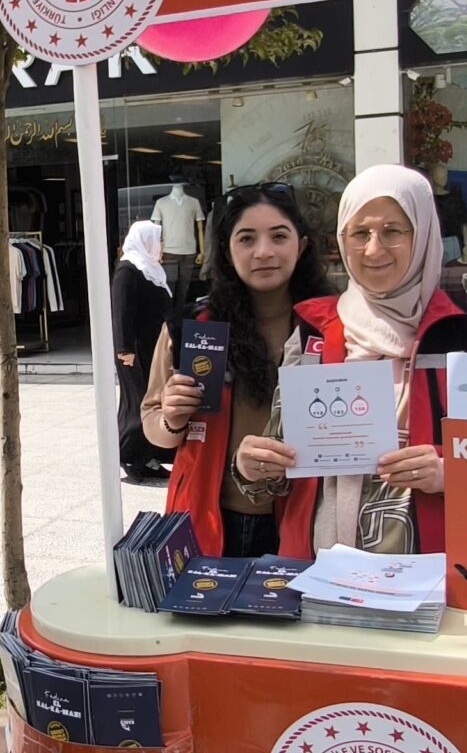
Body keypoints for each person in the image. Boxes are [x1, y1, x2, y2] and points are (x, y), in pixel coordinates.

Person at [237, 167, 467, 557]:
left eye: (393, 231)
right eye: (360, 233)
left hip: (437, 583)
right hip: (320, 576)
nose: (373, 249)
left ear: (423, 235)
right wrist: (252, 466)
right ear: (342, 240)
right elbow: (282, 468)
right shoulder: (313, 335)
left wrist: (450, 474)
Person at [139, 182, 334, 555]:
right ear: (227, 250)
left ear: (302, 245)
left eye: (279, 236)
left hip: (307, 522)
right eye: (246, 239)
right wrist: (171, 419)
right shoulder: (191, 328)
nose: (264, 252)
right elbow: (153, 428)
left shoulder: (334, 328)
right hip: (207, 522)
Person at [113, 221, 174, 485]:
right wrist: (124, 349)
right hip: (134, 351)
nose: (161, 246)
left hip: (153, 349)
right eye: (158, 240)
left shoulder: (150, 269)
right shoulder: (128, 270)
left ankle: (150, 456)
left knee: (153, 401)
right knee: (137, 403)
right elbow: (120, 313)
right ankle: (130, 456)